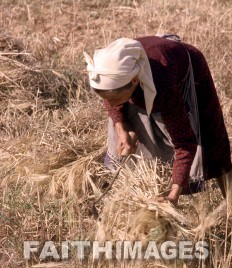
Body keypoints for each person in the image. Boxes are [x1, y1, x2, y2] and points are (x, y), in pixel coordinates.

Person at [84, 35, 232, 205]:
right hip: (145, 77)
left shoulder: (164, 88)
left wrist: (173, 195)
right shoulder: (111, 71)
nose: (109, 105)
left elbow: (184, 143)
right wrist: (121, 128)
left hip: (186, 71)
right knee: (121, 110)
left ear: (134, 81)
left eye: (114, 100)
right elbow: (110, 97)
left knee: (212, 141)